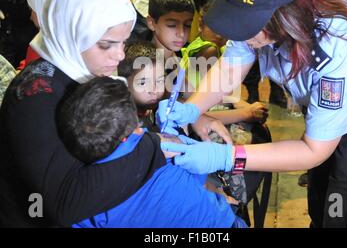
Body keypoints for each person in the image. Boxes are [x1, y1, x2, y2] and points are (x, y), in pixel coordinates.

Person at [158, 0, 347, 228]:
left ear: (287, 17)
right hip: (321, 106)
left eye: (248, 27)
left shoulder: (339, 40)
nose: (240, 36)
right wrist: (191, 110)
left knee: (344, 209)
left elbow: (313, 150)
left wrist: (226, 157)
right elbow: (231, 69)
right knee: (320, 198)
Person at [0, 0, 168, 227]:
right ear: (71, 32)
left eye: (122, 42)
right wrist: (153, 147)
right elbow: (68, 202)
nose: (120, 54)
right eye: (105, 45)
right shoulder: (34, 97)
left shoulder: (75, 72)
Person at [58, 76, 243, 228]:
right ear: (136, 129)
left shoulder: (82, 200)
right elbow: (198, 177)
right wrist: (177, 135)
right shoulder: (163, 150)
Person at [17, 0, 64, 70]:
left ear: (43, 9)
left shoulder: (52, 45)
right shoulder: (47, 36)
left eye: (32, 10)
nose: (30, 17)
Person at [118, 40, 165, 131]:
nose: (154, 90)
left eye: (160, 81)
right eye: (143, 83)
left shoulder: (151, 110)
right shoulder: (123, 125)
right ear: (124, 82)